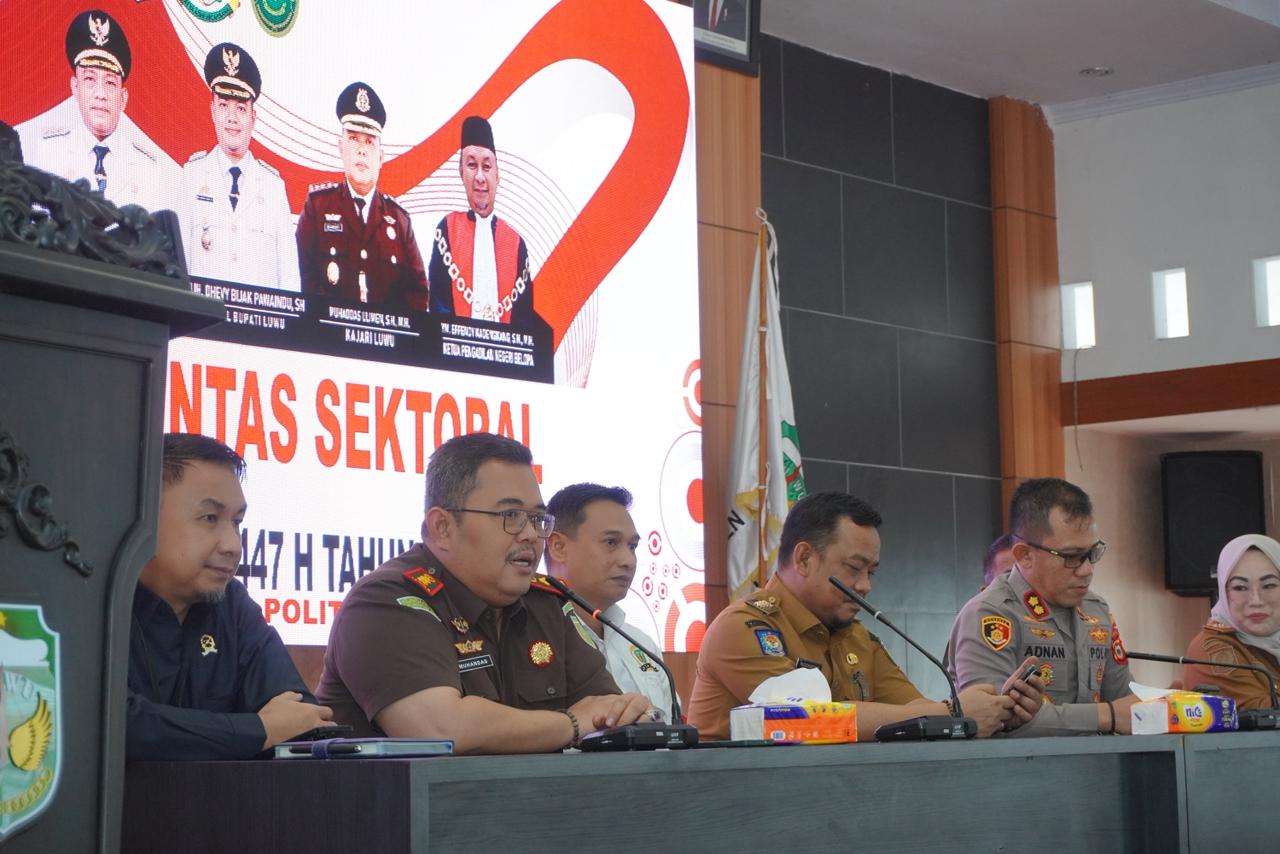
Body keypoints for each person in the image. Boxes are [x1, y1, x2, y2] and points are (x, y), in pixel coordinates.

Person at [315, 433, 654, 753]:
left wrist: (628, 714)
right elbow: (438, 728)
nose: (530, 535)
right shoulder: (385, 601)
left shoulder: (546, 604)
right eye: (510, 516)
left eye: (537, 518)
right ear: (442, 527)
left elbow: (608, 711)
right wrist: (572, 723)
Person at [688, 491, 1042, 740]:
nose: (865, 586)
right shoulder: (743, 628)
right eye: (854, 568)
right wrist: (954, 713)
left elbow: (916, 707)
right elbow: (809, 721)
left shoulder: (855, 635)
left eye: (871, 572)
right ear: (804, 559)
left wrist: (992, 711)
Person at [127, 434, 332, 760]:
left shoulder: (231, 603)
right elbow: (118, 724)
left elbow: (302, 718)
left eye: (236, 522)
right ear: (141, 518)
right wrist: (259, 731)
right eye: (210, 518)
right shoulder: (92, 603)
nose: (233, 545)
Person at [947, 477, 1139, 736]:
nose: (1086, 570)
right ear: (1025, 555)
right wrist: (1107, 716)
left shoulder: (1096, 610)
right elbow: (992, 722)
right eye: (1071, 556)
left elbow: (1128, 706)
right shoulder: (990, 614)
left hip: (1098, 761)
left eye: (1092, 553)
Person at [16, 9, 176, 213]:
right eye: (90, 79)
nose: (100, 94)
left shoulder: (148, 170)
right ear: (75, 88)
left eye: (110, 83)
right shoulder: (48, 155)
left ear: (123, 98)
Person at [295, 81, 428, 309]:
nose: (361, 150)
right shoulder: (317, 208)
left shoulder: (399, 221)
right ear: (341, 148)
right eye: (354, 139)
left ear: (381, 157)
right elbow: (302, 278)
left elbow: (418, 295)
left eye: (369, 141)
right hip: (328, 331)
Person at [178, 43, 300, 291]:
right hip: (204, 316)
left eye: (241, 108)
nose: (232, 118)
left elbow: (289, 279)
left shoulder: (274, 187)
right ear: (212, 111)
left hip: (258, 318)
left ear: (253, 118)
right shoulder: (192, 176)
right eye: (224, 105)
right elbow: (178, 267)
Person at [544, 483, 673, 713]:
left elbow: (674, 728)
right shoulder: (532, 637)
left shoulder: (641, 644)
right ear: (558, 546)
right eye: (611, 542)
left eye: (632, 546)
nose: (628, 560)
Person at [427, 116, 537, 325]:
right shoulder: (448, 229)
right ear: (461, 173)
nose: (479, 177)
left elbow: (524, 322)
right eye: (471, 165)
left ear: (497, 175)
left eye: (486, 167)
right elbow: (438, 308)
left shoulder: (515, 243)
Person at [1183, 534, 1280, 710]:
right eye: (1240, 588)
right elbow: (1260, 714)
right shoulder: (1212, 648)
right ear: (1224, 592)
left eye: (1269, 585)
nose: (1256, 600)